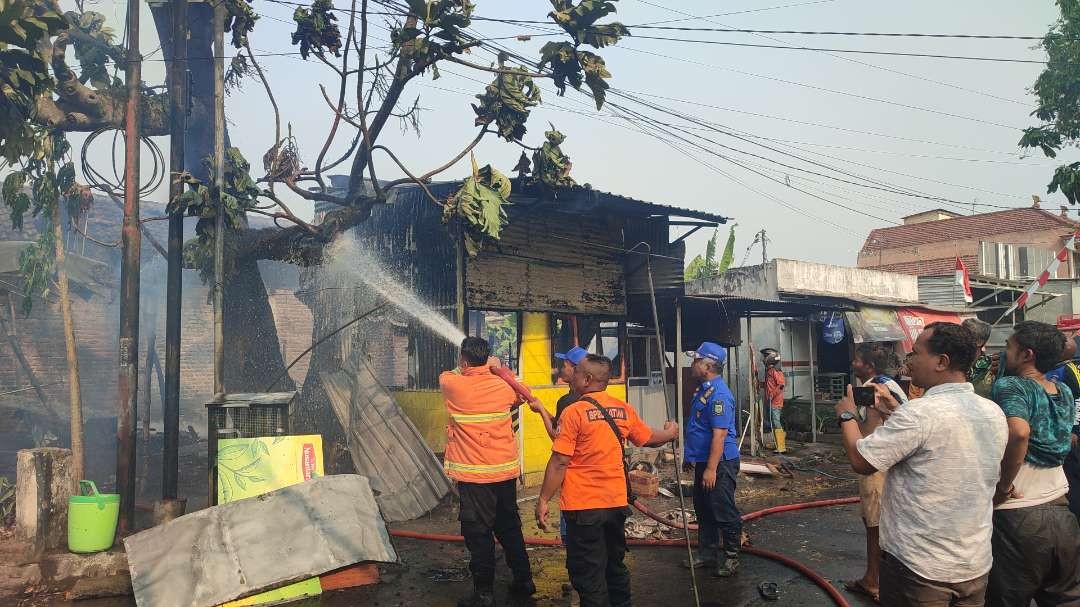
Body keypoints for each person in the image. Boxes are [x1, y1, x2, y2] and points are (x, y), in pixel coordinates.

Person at [835, 322, 1007, 607]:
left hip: (919, 570)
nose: (908, 361)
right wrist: (896, 411)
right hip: (973, 565)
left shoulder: (919, 414)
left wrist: (847, 416)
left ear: (941, 362)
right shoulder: (992, 411)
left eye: (915, 353)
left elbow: (861, 461)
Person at [534, 354, 679, 607]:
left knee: (589, 575)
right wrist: (670, 432)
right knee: (614, 566)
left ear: (587, 379)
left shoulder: (574, 412)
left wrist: (543, 499)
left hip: (584, 507)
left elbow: (559, 461)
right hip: (615, 506)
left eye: (577, 371)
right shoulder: (622, 409)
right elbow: (648, 437)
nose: (572, 375)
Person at [986, 321, 1080, 607]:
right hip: (1062, 511)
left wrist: (1002, 487)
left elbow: (1019, 431)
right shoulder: (1061, 389)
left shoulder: (1011, 385)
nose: (1004, 354)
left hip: (1018, 516)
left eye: (1009, 348)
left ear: (1027, 354)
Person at [440, 337, 534, 607]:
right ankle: (524, 581)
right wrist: (497, 368)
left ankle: (483, 595)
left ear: (464, 360)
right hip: (504, 475)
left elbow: (449, 374)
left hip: (475, 478)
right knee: (509, 528)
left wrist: (474, 368)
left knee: (478, 534)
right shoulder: (504, 387)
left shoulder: (453, 384)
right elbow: (522, 393)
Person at [845, 342, 909, 603]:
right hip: (891, 462)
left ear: (869, 366)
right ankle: (873, 577)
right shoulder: (887, 385)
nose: (853, 364)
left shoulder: (873, 389)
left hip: (877, 465)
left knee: (875, 525)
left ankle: (875, 581)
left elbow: (869, 434)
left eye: (857, 360)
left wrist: (847, 414)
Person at [683, 342, 742, 576]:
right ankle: (707, 554)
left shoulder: (719, 396)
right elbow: (699, 427)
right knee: (704, 508)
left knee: (722, 509)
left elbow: (719, 435)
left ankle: (731, 557)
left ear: (707, 365)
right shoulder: (704, 389)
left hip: (719, 463)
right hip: (704, 461)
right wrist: (691, 457)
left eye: (696, 360)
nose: (692, 364)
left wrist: (711, 469)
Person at [1045, 336, 1080, 519]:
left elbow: (1075, 400)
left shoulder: (1063, 371)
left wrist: (1073, 430)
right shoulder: (1067, 368)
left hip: (1069, 439)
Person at [760, 348, 787, 454]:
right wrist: (759, 384)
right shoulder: (769, 371)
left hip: (775, 402)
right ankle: (778, 444)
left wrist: (772, 395)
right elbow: (769, 386)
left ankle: (781, 447)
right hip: (771, 401)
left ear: (770, 358)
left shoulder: (776, 370)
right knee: (773, 422)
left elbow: (781, 385)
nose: (763, 359)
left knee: (776, 422)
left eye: (765, 356)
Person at [964, 318, 996, 399]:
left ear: (979, 342)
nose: (959, 337)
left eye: (965, 335)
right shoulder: (952, 363)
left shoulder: (993, 367)